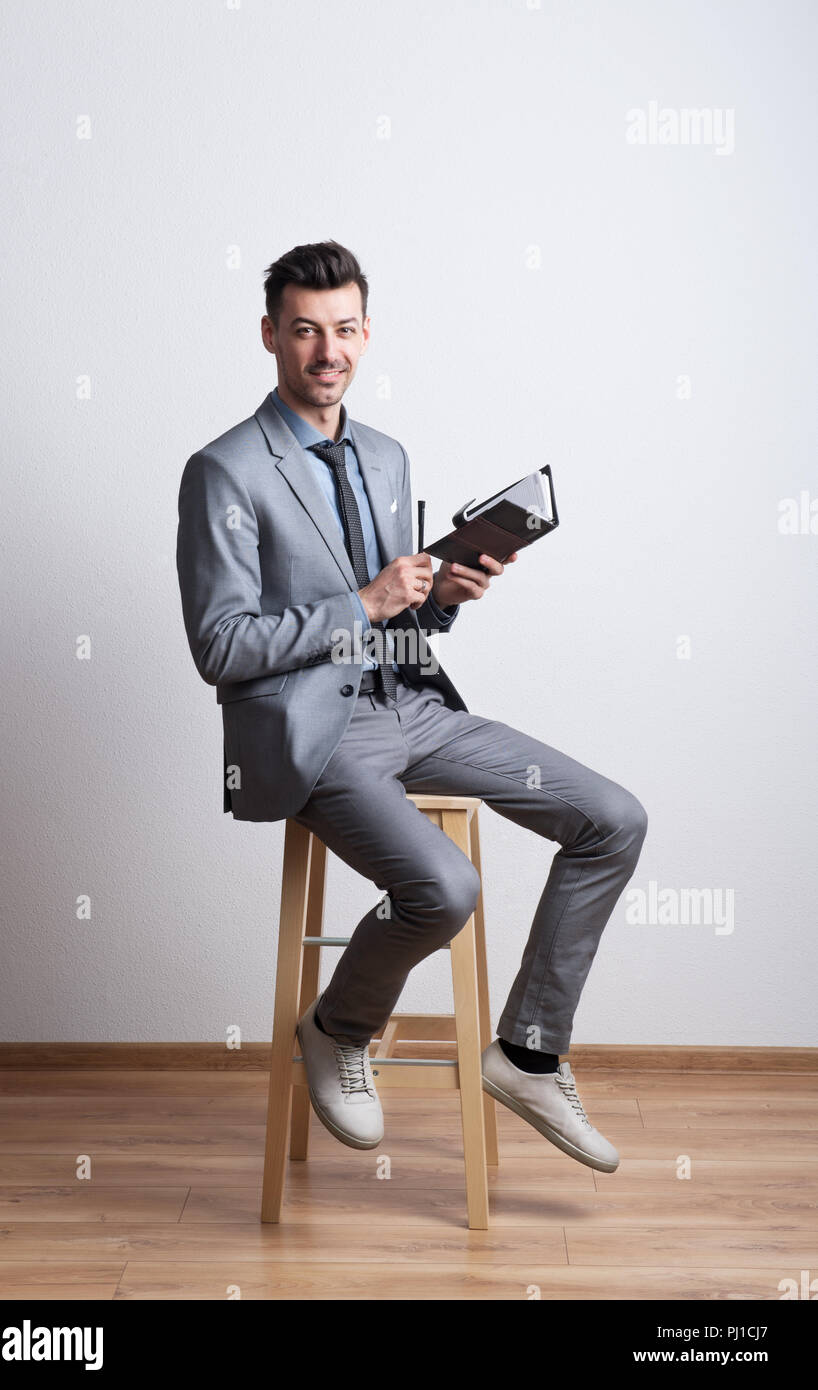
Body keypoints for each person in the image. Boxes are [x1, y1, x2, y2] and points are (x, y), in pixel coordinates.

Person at [176, 240, 648, 1172]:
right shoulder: (224, 470)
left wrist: (443, 594)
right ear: (270, 334)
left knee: (614, 819)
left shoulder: (386, 455)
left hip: (415, 706)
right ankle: (340, 1029)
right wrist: (366, 602)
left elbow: (404, 614)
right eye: (305, 331)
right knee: (447, 887)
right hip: (317, 735)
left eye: (344, 329)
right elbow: (221, 646)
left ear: (365, 334)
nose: (327, 351)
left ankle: (528, 1051)